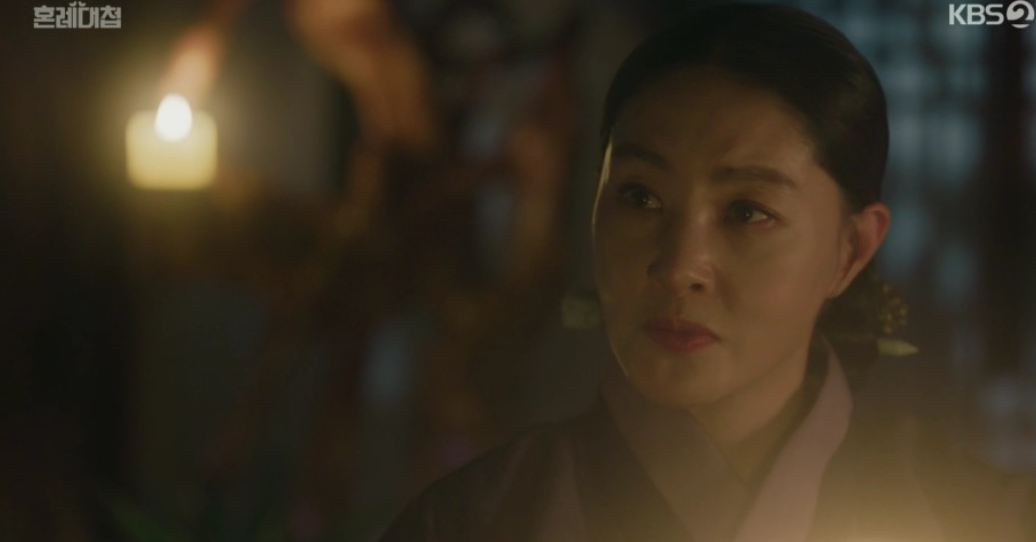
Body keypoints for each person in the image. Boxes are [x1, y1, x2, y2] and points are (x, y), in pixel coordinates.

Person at [377, 4, 1036, 541]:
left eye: (748, 212)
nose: (677, 267)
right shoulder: (468, 525)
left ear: (851, 250)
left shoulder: (988, 521)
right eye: (640, 197)